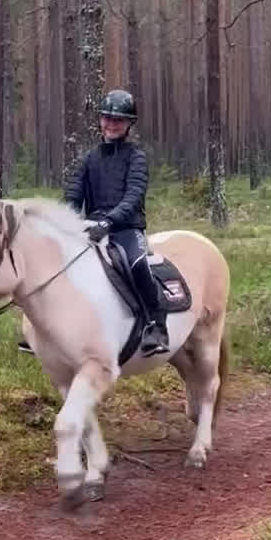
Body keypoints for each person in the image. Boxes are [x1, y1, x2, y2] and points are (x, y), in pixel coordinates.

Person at [64, 89, 170, 354]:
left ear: (129, 124)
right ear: (100, 120)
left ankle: (157, 324)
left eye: (118, 120)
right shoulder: (89, 158)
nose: (112, 123)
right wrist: (67, 220)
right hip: (91, 228)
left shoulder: (137, 157)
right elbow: (73, 195)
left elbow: (133, 195)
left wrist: (109, 222)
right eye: (107, 118)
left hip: (126, 228)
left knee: (137, 263)